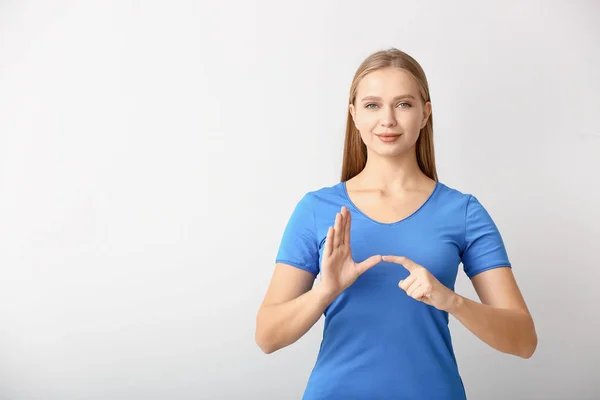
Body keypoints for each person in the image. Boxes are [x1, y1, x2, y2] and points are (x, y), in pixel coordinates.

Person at [255, 48, 537, 399]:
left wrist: (450, 300)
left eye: (403, 104)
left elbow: (523, 340)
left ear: (425, 114)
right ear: (354, 115)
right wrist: (325, 290)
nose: (387, 119)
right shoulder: (316, 209)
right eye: (373, 105)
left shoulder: (463, 211)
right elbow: (267, 337)